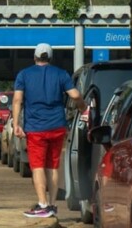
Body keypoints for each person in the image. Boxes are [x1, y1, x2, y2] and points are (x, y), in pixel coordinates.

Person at [12, 43, 87, 218]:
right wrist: (83, 108)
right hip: (57, 127)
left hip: (35, 128)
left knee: (37, 167)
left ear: (35, 57)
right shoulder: (61, 74)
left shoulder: (24, 74)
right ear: (50, 58)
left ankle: (43, 204)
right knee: (53, 166)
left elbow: (17, 100)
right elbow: (75, 95)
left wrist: (16, 124)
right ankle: (52, 205)